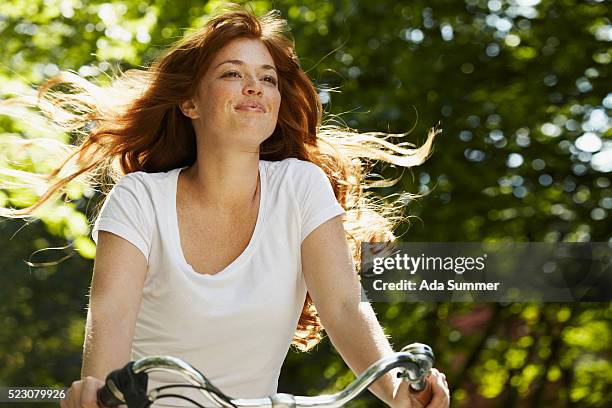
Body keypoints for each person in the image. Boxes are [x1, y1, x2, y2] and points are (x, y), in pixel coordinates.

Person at [1, 4, 447, 408]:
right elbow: (111, 314)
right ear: (190, 102)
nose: (255, 86)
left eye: (267, 78)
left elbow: (345, 307)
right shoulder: (140, 199)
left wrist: (395, 389)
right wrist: (97, 393)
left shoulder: (300, 187)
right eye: (233, 73)